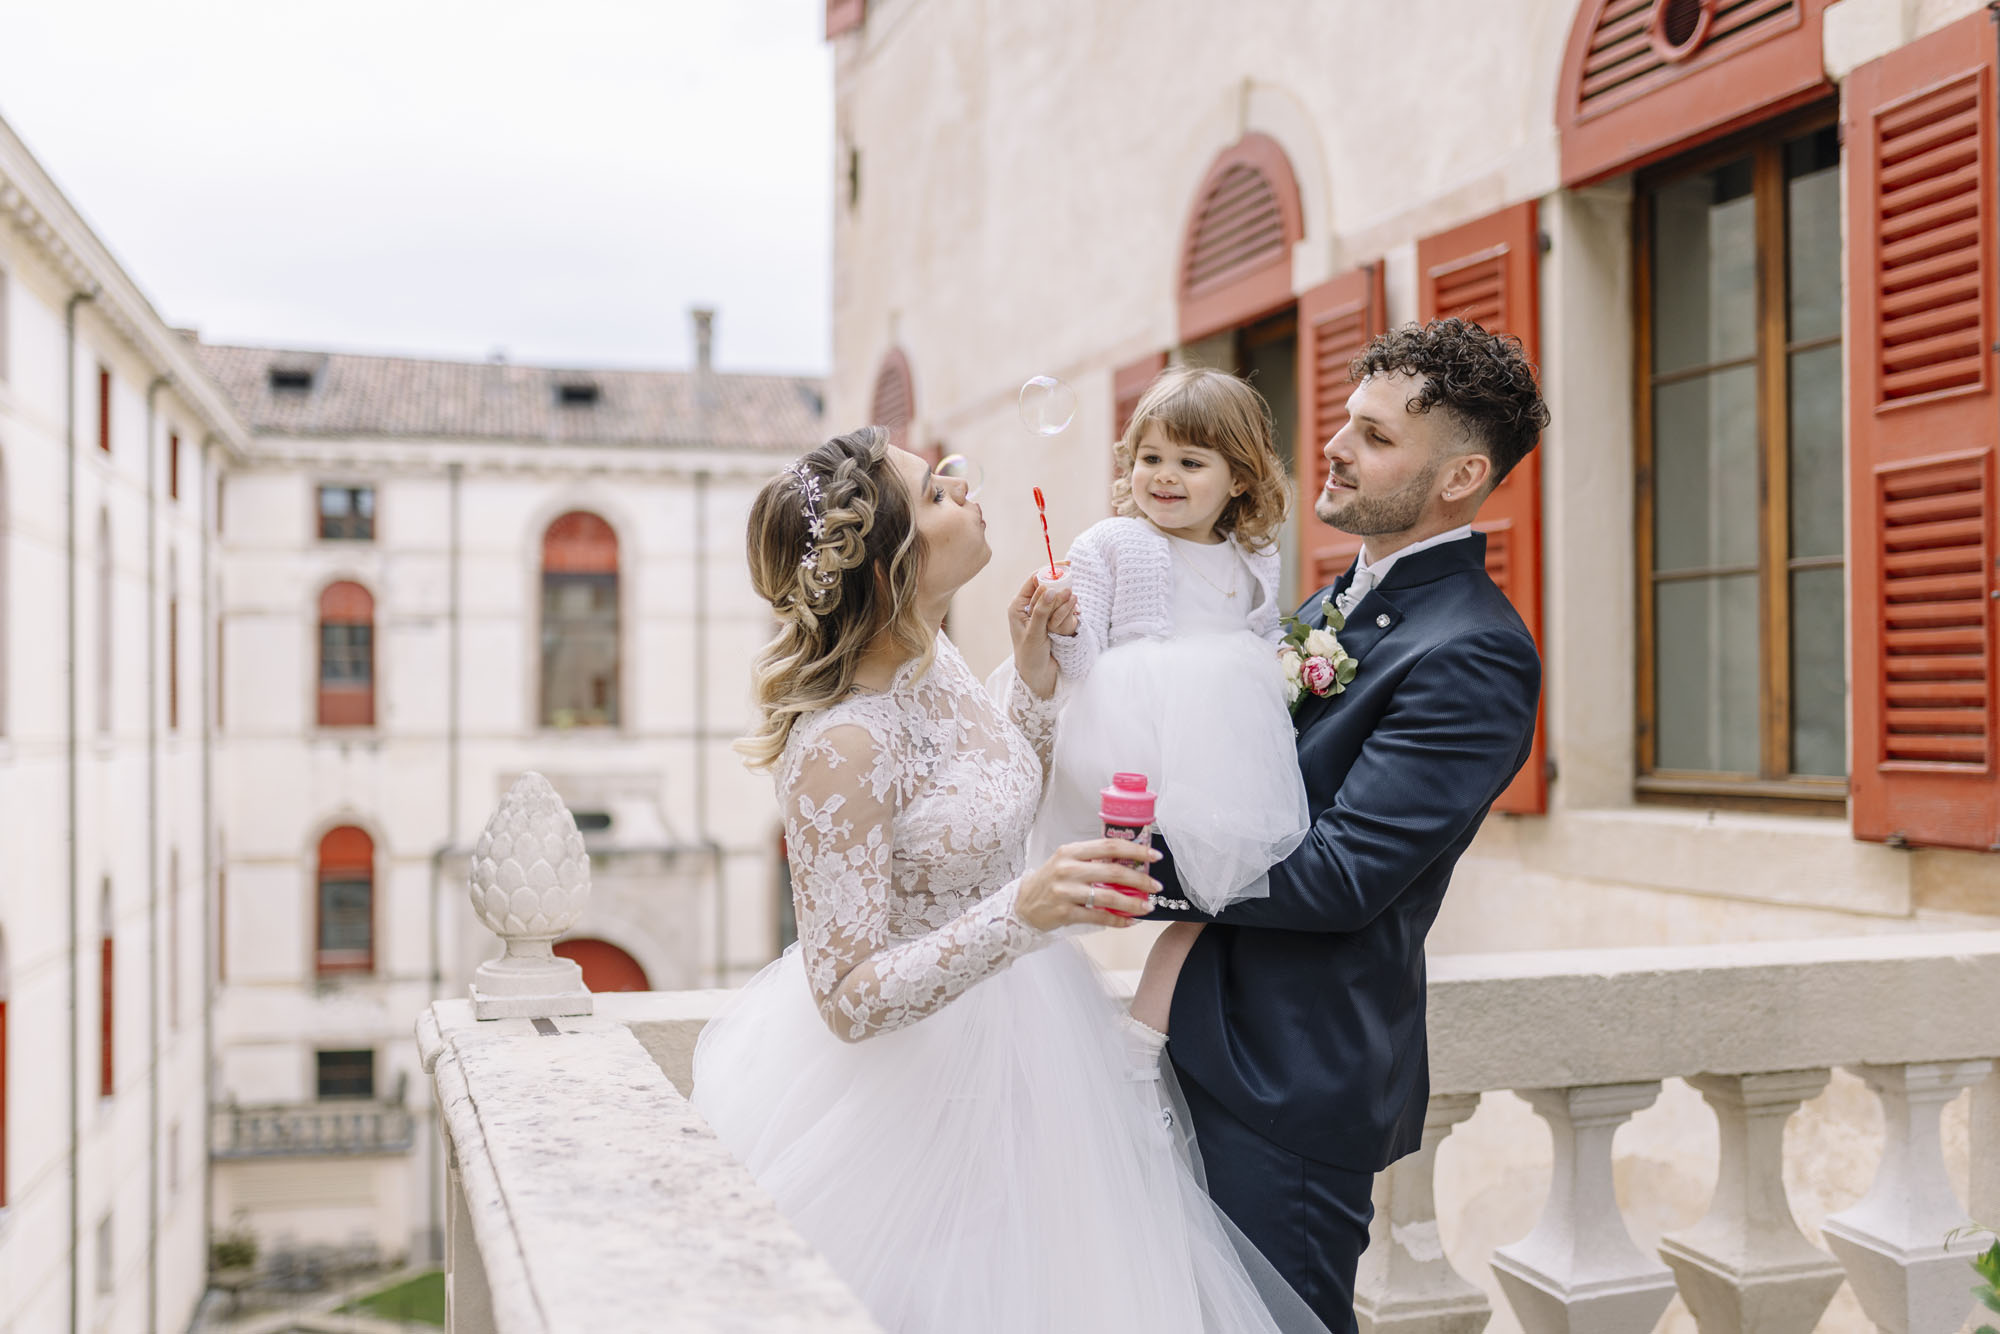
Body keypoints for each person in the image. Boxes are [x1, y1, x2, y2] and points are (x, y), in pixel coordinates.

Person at [690, 427, 1329, 1334]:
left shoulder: (935, 663)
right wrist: (1021, 915)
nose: (965, 489)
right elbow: (845, 997)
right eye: (939, 494)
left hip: (1034, 1048)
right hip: (915, 1102)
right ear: (888, 566)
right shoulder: (843, 745)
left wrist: (1030, 681)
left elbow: (985, 804)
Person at [1146, 319, 1548, 1334]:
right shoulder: (1334, 602)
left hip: (1290, 1074)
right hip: (1197, 1028)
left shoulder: (1472, 651)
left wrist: (1129, 868)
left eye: (1372, 436)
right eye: (1344, 421)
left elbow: (1338, 877)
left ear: (1459, 475)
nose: (1330, 444)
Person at [1027, 365, 1310, 1047]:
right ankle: (1055, 1026)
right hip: (1140, 732)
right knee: (1126, 887)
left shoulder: (1252, 552)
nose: (1165, 476)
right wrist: (1063, 624)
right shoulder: (1113, 542)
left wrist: (1290, 665)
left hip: (1222, 740)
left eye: (1190, 461)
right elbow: (1082, 652)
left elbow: (1260, 628)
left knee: (1215, 895)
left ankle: (1146, 1032)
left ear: (1239, 477)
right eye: (1151, 457)